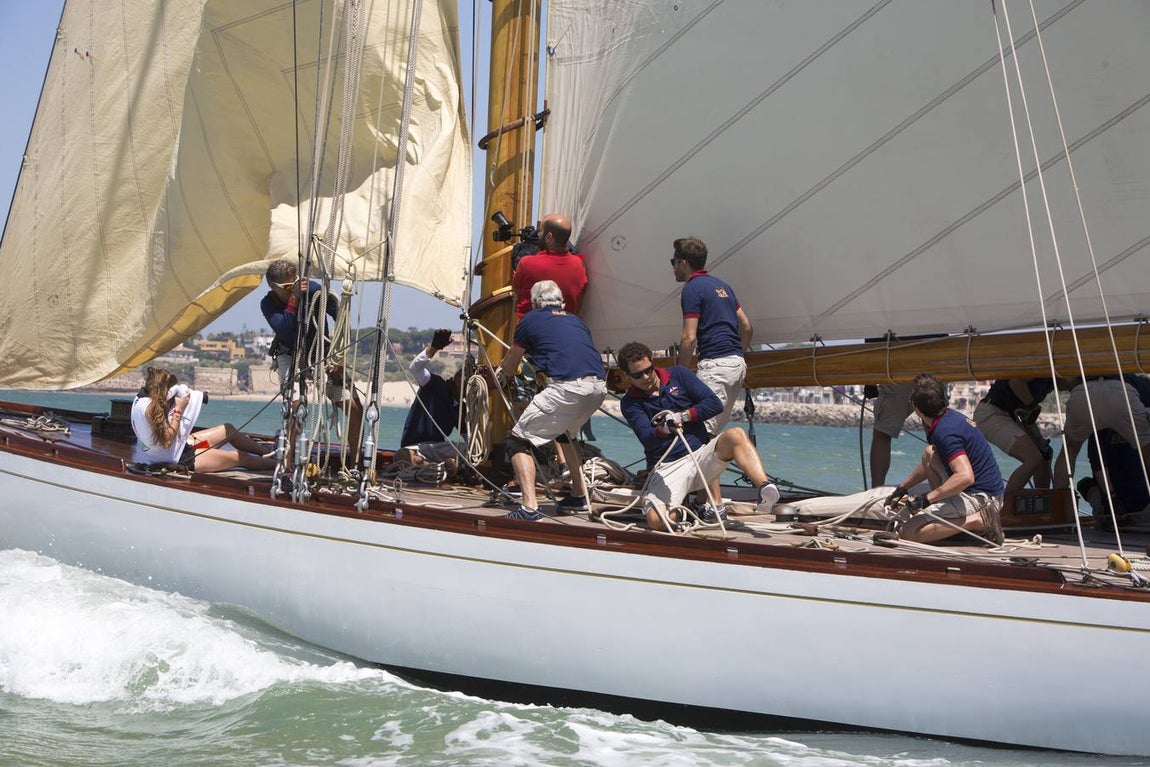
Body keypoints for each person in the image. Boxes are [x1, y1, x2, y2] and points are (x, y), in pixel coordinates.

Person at [618, 340, 779, 532]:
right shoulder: (630, 403)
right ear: (628, 376)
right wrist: (666, 429)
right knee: (657, 521)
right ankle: (681, 509)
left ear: (652, 363)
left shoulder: (679, 375)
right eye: (637, 375)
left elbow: (714, 404)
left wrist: (683, 416)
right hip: (668, 467)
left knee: (735, 435)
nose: (646, 377)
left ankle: (764, 488)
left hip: (700, 457)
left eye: (648, 370)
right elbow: (647, 437)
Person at [497, 280, 607, 520]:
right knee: (565, 436)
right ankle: (579, 496)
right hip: (598, 388)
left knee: (517, 441)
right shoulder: (576, 321)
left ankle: (529, 507)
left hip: (567, 389)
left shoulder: (529, 320)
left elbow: (512, 364)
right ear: (562, 302)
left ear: (535, 303)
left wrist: (502, 375)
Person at [261, 258, 364, 463]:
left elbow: (341, 317)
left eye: (295, 282)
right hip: (289, 355)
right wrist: (295, 299)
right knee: (296, 407)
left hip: (323, 354)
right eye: (288, 286)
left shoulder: (314, 290)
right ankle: (288, 466)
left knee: (354, 407)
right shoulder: (268, 303)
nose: (294, 288)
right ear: (272, 286)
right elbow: (283, 328)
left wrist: (339, 353)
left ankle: (354, 465)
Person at [884, 373, 1005, 545]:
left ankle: (978, 520)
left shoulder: (944, 432)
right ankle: (948, 510)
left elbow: (965, 476)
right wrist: (903, 488)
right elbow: (932, 460)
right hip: (990, 493)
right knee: (929, 453)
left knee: (908, 532)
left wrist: (927, 499)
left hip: (981, 498)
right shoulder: (950, 418)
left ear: (917, 410)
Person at [672, 236, 752, 436]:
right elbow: (746, 327)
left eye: (673, 262)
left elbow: (689, 338)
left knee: (698, 431)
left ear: (684, 263)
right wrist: (734, 355)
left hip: (716, 367)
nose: (672, 267)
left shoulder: (692, 288)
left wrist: (679, 377)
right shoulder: (723, 286)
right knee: (710, 432)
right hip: (736, 366)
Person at [131, 367, 276, 473]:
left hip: (183, 446)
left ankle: (268, 452)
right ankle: (279, 465)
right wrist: (178, 410)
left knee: (227, 430)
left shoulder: (141, 400)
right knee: (241, 457)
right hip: (179, 457)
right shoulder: (150, 409)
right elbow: (167, 441)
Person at [1054, 375, 1150, 500]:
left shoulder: (1088, 368)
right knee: (1147, 451)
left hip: (1083, 393)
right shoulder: (1141, 384)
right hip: (1121, 394)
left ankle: (1058, 503)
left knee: (1069, 451)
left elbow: (1064, 382)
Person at [397, 329, 468, 466]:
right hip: (414, 447)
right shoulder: (434, 384)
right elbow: (415, 368)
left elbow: (469, 439)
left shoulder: (461, 409)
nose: (465, 385)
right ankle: (436, 465)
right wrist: (433, 348)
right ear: (454, 378)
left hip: (436, 449)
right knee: (405, 455)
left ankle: (432, 465)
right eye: (463, 378)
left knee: (469, 450)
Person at [973, 378, 1054, 493]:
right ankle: (1007, 505)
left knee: (1043, 455)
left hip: (1009, 416)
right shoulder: (1043, 370)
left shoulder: (1048, 382)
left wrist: (1040, 445)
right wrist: (1032, 406)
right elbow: (1015, 381)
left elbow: (1027, 415)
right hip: (992, 413)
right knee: (1033, 459)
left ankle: (1043, 503)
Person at [511, 214, 587, 319]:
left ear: (549, 237)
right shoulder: (578, 264)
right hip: (565, 326)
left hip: (530, 328)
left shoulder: (526, 263)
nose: (538, 235)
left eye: (540, 231)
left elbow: (516, 289)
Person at [868, 382, 916, 487]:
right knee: (934, 426)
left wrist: (870, 382)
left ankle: (877, 491)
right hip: (939, 368)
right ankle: (944, 488)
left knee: (882, 433)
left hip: (900, 371)